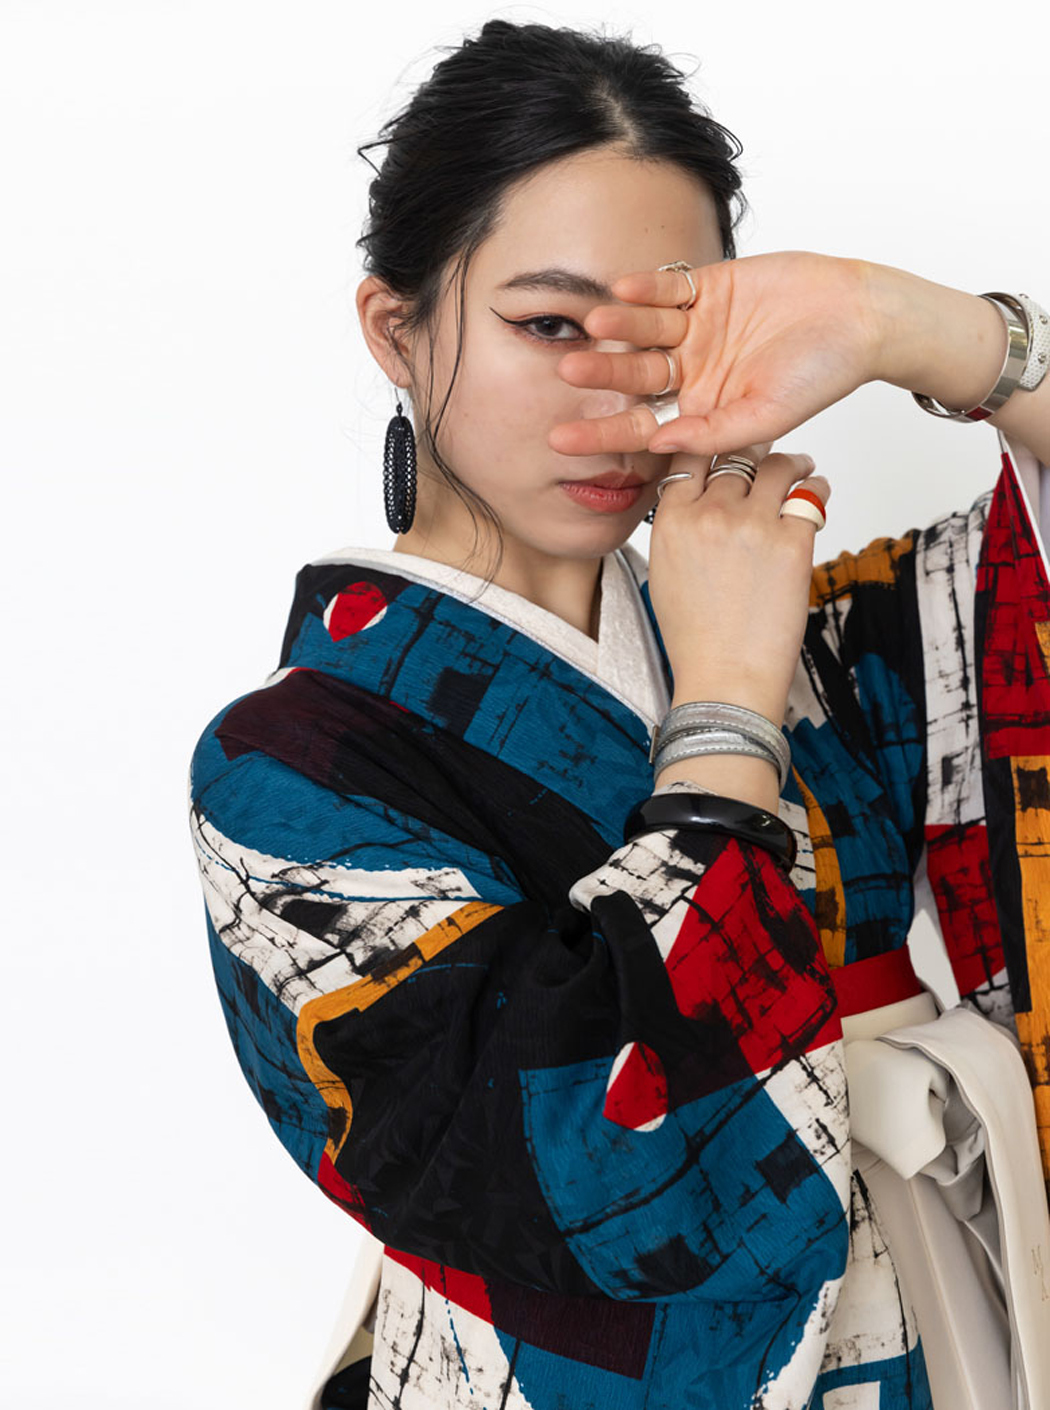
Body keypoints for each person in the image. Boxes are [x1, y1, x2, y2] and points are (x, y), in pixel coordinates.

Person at [186, 19, 1050, 1410]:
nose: (617, 390)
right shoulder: (290, 770)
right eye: (548, 325)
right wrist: (723, 713)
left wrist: (914, 327)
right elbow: (629, 1181)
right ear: (398, 329)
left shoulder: (818, 644)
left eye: (667, 334)